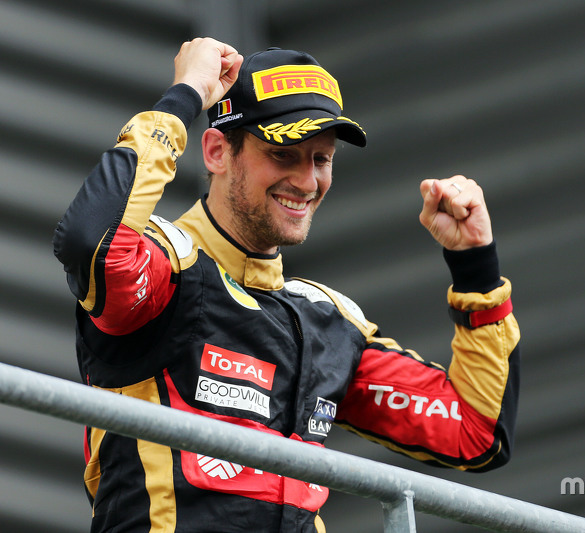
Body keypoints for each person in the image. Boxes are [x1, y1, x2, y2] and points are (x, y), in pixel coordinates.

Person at [53, 37, 520, 533]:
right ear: (216, 150)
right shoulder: (166, 270)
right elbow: (90, 239)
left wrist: (475, 266)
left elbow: (476, 433)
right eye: (283, 154)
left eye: (320, 159)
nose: (306, 181)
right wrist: (186, 94)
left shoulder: (328, 322)